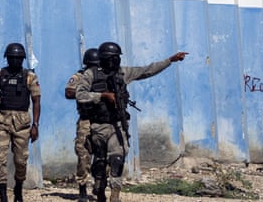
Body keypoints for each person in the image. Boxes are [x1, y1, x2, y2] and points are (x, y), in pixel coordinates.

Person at [74, 42, 188, 202]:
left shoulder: (123, 73)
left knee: (117, 158)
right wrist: (102, 96)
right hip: (97, 126)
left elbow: (147, 70)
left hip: (117, 124)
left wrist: (170, 60)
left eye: (116, 58)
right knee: (99, 162)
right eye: (111, 58)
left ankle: (115, 195)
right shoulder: (91, 74)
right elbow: (80, 94)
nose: (114, 61)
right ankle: (99, 191)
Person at [0, 42, 41, 202]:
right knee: (0, 158)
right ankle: (3, 195)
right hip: (1, 121)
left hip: (22, 124)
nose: (15, 61)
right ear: (7, 58)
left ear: (22, 59)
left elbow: (36, 101)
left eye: (18, 58)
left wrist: (35, 125)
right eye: (12, 58)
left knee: (20, 160)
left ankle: (18, 188)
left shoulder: (30, 77)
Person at [64, 48, 101, 202]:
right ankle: (82, 189)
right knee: (83, 155)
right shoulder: (79, 77)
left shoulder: (103, 77)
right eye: (92, 65)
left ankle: (99, 186)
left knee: (102, 155)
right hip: (85, 120)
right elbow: (68, 92)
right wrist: (88, 93)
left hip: (102, 121)